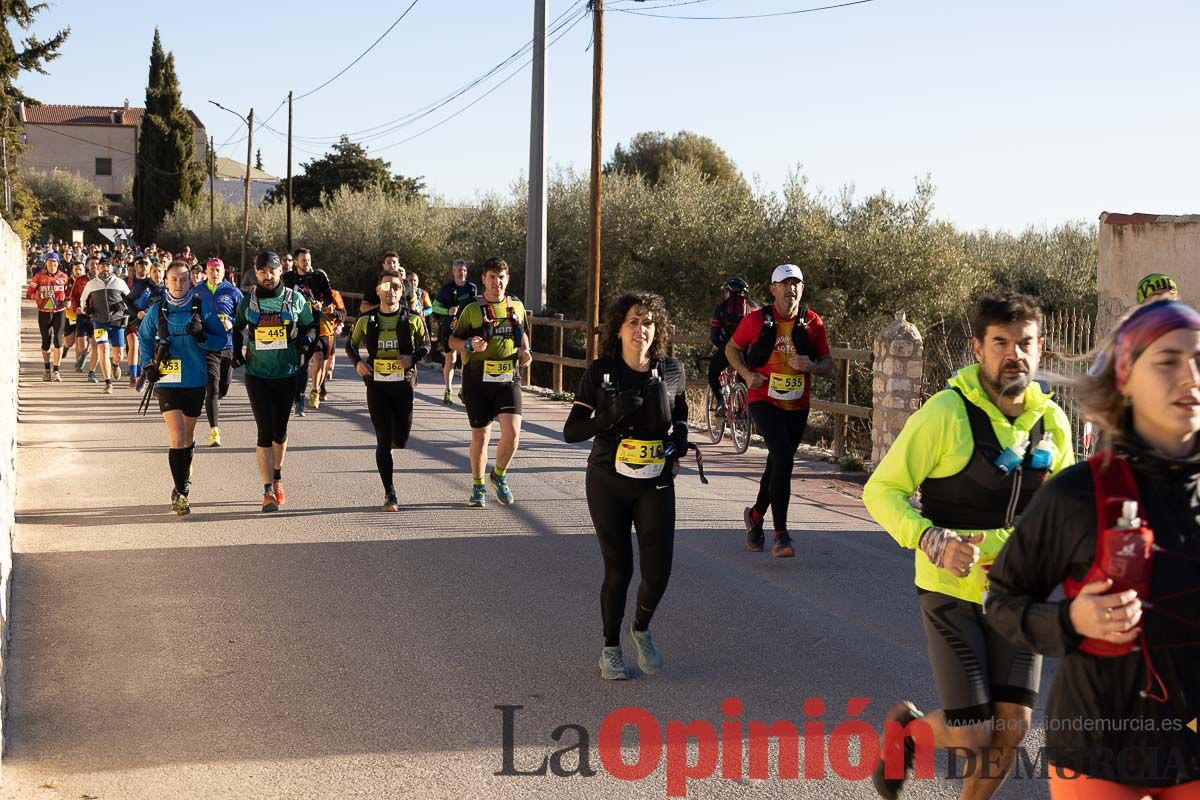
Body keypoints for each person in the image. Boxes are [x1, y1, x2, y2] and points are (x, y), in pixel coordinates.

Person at [861, 292, 1075, 800]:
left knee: (1012, 731)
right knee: (975, 732)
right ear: (977, 347)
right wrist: (933, 540)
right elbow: (880, 490)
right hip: (949, 590)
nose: (1013, 354)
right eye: (1000, 342)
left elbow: (1068, 517)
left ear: (1040, 349)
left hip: (1020, 596)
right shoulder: (945, 413)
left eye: (1024, 343)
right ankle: (907, 733)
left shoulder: (1054, 425)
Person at [985, 300, 1200, 800]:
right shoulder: (1077, 495)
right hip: (1098, 744)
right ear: (1125, 377)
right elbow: (1002, 601)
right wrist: (1071, 621)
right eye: (1168, 361)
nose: (1190, 376)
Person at [563, 291, 689, 680]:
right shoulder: (600, 372)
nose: (641, 329)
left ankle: (641, 628)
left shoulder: (671, 370)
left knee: (658, 571)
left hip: (655, 480)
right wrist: (609, 415)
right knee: (619, 568)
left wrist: (681, 435)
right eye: (633, 322)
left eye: (648, 322)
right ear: (618, 328)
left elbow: (680, 412)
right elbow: (572, 432)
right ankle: (611, 648)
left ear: (658, 329)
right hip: (608, 480)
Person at [725, 264, 833, 557]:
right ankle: (781, 535)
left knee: (778, 463)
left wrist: (811, 366)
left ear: (802, 288)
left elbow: (828, 365)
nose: (791, 289)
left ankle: (756, 516)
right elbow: (731, 349)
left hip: (798, 404)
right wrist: (747, 376)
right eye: (785, 283)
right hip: (765, 399)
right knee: (784, 457)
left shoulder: (813, 322)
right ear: (773, 289)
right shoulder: (757, 320)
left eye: (796, 283)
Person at [137, 261, 225, 515]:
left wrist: (201, 337)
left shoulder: (202, 307)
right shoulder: (157, 310)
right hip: (166, 379)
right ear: (166, 281)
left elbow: (220, 339)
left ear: (191, 282)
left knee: (187, 436)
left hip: (195, 379)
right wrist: (146, 365)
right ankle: (182, 492)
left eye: (183, 279)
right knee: (176, 434)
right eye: (174, 279)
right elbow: (144, 338)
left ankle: (184, 472)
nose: (178, 284)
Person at [232, 251, 317, 512]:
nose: (267, 276)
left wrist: (305, 343)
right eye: (262, 271)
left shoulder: (295, 299)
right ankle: (267, 490)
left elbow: (311, 327)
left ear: (281, 271)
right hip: (257, 374)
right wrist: (237, 353)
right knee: (264, 430)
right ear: (255, 274)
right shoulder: (248, 302)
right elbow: (237, 328)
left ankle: (277, 475)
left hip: (287, 373)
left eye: (272, 271)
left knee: (279, 431)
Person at [450, 257, 532, 507]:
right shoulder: (472, 309)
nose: (497, 282)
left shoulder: (516, 306)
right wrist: (468, 344)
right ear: (484, 279)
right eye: (492, 277)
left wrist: (526, 352)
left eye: (502, 277)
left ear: (508, 279)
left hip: (508, 379)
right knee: (481, 436)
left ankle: (498, 475)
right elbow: (451, 341)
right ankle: (478, 486)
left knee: (513, 433)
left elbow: (523, 335)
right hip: (476, 381)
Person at [345, 270, 429, 511]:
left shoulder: (412, 318)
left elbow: (426, 344)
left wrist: (412, 358)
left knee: (400, 439)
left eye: (395, 287)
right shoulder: (367, 320)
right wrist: (358, 363)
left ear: (401, 291)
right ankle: (390, 494)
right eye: (386, 286)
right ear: (378, 290)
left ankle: (393, 443)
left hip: (403, 385)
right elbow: (351, 344)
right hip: (377, 385)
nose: (390, 291)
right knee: (383, 440)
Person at [195, 257, 244, 447]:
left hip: (227, 345)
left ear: (224, 273)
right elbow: (191, 313)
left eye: (218, 270)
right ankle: (214, 431)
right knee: (212, 387)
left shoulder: (233, 291)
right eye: (211, 270)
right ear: (206, 272)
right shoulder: (197, 291)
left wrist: (232, 321)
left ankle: (216, 399)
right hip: (208, 345)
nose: (214, 274)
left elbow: (242, 317)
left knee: (224, 386)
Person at [282, 247, 337, 413]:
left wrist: (322, 304)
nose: (307, 263)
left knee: (306, 362)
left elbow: (328, 296)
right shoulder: (287, 277)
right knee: (292, 363)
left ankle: (301, 398)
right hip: (290, 324)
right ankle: (292, 396)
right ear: (296, 261)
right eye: (303, 260)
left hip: (311, 325)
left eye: (309, 260)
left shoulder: (318, 277)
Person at [79, 255, 131, 394]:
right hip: (99, 322)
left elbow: (130, 299)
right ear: (98, 267)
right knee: (103, 350)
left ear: (111, 267)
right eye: (102, 266)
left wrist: (122, 305)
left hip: (117, 322)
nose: (105, 268)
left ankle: (115, 364)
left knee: (118, 354)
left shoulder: (119, 283)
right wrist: (86, 310)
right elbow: (83, 300)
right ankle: (108, 383)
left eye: (107, 266)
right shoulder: (92, 284)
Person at [708, 276, 757, 413]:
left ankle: (721, 401)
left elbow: (714, 336)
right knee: (744, 376)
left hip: (728, 348)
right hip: (749, 350)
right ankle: (744, 411)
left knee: (713, 373)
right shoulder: (754, 308)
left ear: (729, 292)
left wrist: (723, 348)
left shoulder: (721, 308)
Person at [433, 259, 478, 406]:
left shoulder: (472, 288)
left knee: (466, 361)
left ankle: (464, 390)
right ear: (453, 272)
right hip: (449, 329)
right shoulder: (446, 289)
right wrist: (448, 311)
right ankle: (448, 390)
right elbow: (434, 307)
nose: (461, 273)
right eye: (458, 270)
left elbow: (476, 305)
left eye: (464, 270)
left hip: (466, 329)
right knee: (450, 361)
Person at [26, 253, 69, 382]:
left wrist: (68, 301)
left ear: (58, 263)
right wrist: (37, 296)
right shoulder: (39, 276)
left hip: (59, 311)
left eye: (55, 263)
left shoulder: (64, 276)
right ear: (46, 263)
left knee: (58, 339)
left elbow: (68, 293)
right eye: (50, 263)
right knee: (46, 340)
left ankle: (56, 370)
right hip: (44, 311)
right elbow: (29, 294)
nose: (52, 265)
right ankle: (46, 370)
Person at [124, 256, 153, 389]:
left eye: (145, 264)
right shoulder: (127, 281)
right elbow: (126, 300)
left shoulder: (152, 282)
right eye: (140, 264)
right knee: (133, 347)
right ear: (135, 267)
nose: (143, 267)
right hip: (131, 320)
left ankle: (140, 373)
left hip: (149, 321)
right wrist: (136, 313)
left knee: (142, 349)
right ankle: (133, 375)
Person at [63, 261, 89, 371]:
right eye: (76, 269)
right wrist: (65, 301)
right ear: (72, 270)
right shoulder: (67, 282)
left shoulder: (88, 281)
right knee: (69, 341)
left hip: (83, 314)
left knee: (81, 340)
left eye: (80, 269)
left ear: (84, 270)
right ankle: (65, 348)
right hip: (70, 314)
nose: (78, 272)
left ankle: (78, 363)